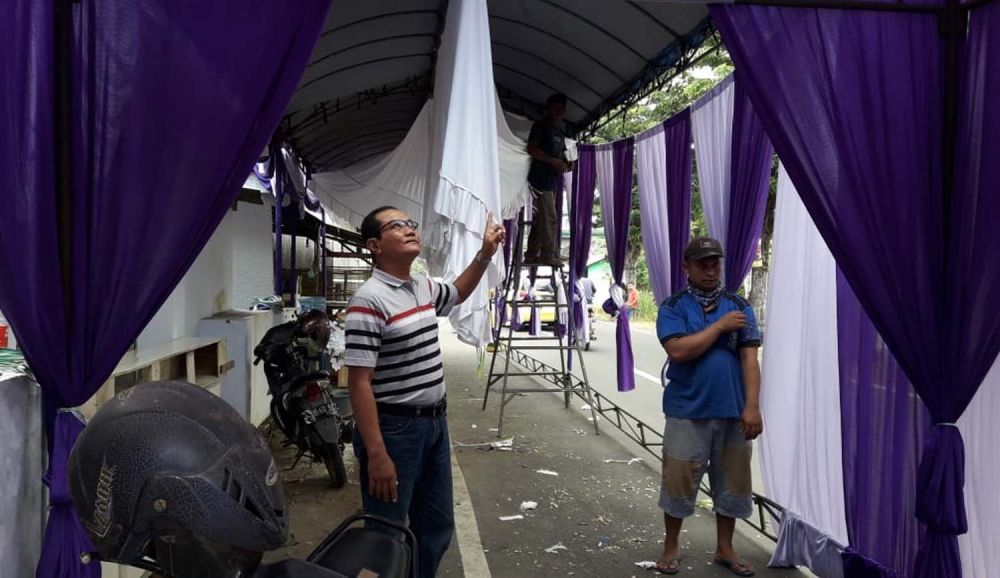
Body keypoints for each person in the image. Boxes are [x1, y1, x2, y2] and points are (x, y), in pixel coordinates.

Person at [344, 206, 505, 578]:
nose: (409, 230)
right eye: (396, 226)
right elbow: (359, 383)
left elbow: (458, 292)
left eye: (410, 224)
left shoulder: (422, 285)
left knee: (435, 527)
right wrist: (377, 455)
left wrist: (484, 254)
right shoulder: (369, 301)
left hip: (434, 425)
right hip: (395, 430)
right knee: (387, 534)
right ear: (374, 245)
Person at [653, 236, 762, 577]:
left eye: (715, 263)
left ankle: (725, 548)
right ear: (686, 267)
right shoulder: (672, 307)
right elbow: (679, 351)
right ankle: (671, 546)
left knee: (732, 483)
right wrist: (719, 327)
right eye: (703, 264)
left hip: (732, 411)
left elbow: (749, 359)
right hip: (687, 411)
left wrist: (753, 407)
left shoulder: (740, 307)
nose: (711, 270)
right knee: (678, 481)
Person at [525, 93, 572, 267]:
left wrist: (567, 163)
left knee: (542, 218)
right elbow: (532, 149)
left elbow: (563, 155)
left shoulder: (559, 132)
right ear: (549, 108)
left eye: (562, 108)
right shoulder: (540, 126)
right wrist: (553, 161)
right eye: (556, 107)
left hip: (551, 181)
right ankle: (547, 254)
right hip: (539, 178)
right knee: (550, 217)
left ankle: (531, 253)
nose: (559, 112)